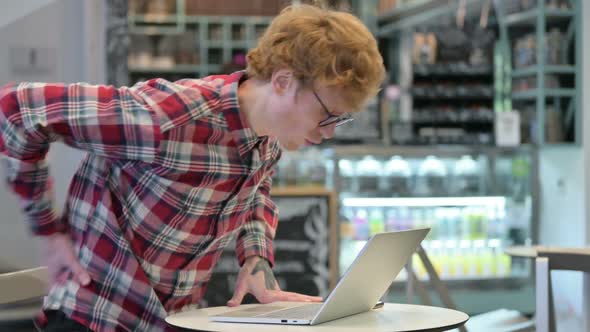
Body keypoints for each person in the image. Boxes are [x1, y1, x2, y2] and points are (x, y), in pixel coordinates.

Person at [0, 4, 384, 331]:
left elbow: (255, 191)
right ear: (283, 81)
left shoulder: (266, 134)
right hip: (94, 317)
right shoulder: (166, 118)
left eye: (341, 120)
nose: (330, 132)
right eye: (328, 115)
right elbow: (16, 109)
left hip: (168, 319)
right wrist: (48, 230)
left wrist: (256, 258)